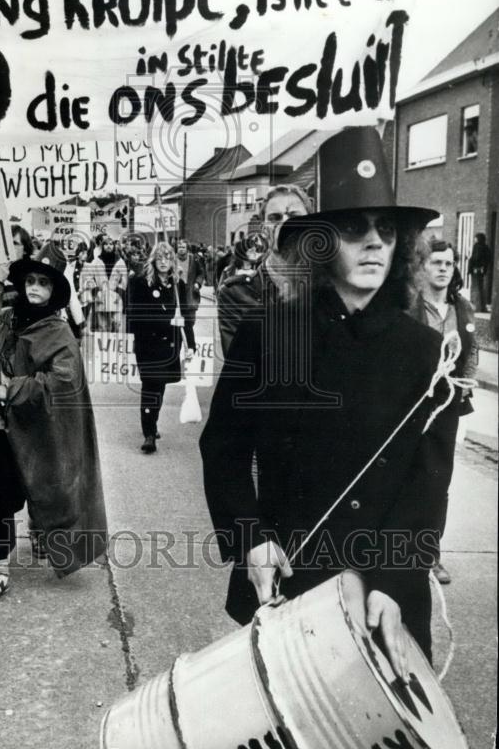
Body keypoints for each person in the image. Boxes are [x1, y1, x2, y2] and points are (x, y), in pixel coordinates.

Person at [201, 127, 457, 676]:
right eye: (352, 228)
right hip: (293, 581)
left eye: (385, 230)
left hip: (384, 597)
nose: (373, 243)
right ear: (320, 245)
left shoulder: (427, 352)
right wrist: (250, 539)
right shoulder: (268, 336)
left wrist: (392, 580)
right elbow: (222, 446)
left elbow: (428, 482)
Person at [0, 242, 107, 603]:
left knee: (43, 488)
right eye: (30, 281)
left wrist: (15, 388)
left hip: (34, 431)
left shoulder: (59, 333)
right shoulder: (3, 317)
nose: (34, 288)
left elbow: (63, 382)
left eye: (43, 283)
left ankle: (42, 528)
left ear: (54, 290)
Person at [411, 238, 478, 585]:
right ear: (423, 267)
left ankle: (429, 555)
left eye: (448, 263)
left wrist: (466, 386)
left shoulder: (462, 308)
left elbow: (471, 352)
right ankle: (394, 549)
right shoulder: (409, 305)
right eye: (436, 262)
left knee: (438, 481)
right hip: (409, 405)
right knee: (403, 475)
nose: (442, 268)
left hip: (447, 405)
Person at [216, 184, 312, 359]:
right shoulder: (236, 293)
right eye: (275, 218)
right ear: (264, 229)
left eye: (294, 216)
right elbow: (243, 369)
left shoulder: (331, 286)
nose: (285, 223)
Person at [126, 241, 196, 454]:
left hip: (171, 345)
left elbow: (186, 317)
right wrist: (166, 320)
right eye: (160, 258)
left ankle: (152, 422)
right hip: (148, 344)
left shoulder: (178, 286)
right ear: (153, 260)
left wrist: (191, 343)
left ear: (173, 261)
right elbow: (134, 316)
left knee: (160, 386)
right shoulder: (140, 283)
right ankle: (149, 433)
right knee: (150, 386)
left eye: (167, 258)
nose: (163, 262)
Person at [81, 234, 128, 333]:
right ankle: (104, 347)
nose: (108, 246)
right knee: (103, 326)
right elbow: (88, 277)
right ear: (102, 246)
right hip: (101, 296)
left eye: (111, 244)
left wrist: (120, 290)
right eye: (106, 244)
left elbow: (124, 278)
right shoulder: (96, 261)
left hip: (115, 297)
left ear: (114, 246)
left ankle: (114, 347)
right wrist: (95, 289)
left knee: (116, 324)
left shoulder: (120, 262)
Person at [174, 239, 205, 337]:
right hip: (176, 290)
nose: (181, 249)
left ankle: (188, 334)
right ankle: (178, 336)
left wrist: (197, 283)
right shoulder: (172, 259)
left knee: (190, 319)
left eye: (183, 247)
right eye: (179, 247)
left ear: (187, 249)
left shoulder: (194, 259)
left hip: (190, 291)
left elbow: (201, 273)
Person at [467, 232, 493, 312]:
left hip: (476, 269)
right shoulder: (486, 247)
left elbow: (475, 258)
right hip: (481, 270)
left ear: (478, 238)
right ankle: (482, 307)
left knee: (476, 288)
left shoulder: (477, 246)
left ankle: (477, 307)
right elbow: (489, 259)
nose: (474, 239)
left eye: (476, 237)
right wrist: (484, 268)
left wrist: (472, 265)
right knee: (481, 288)